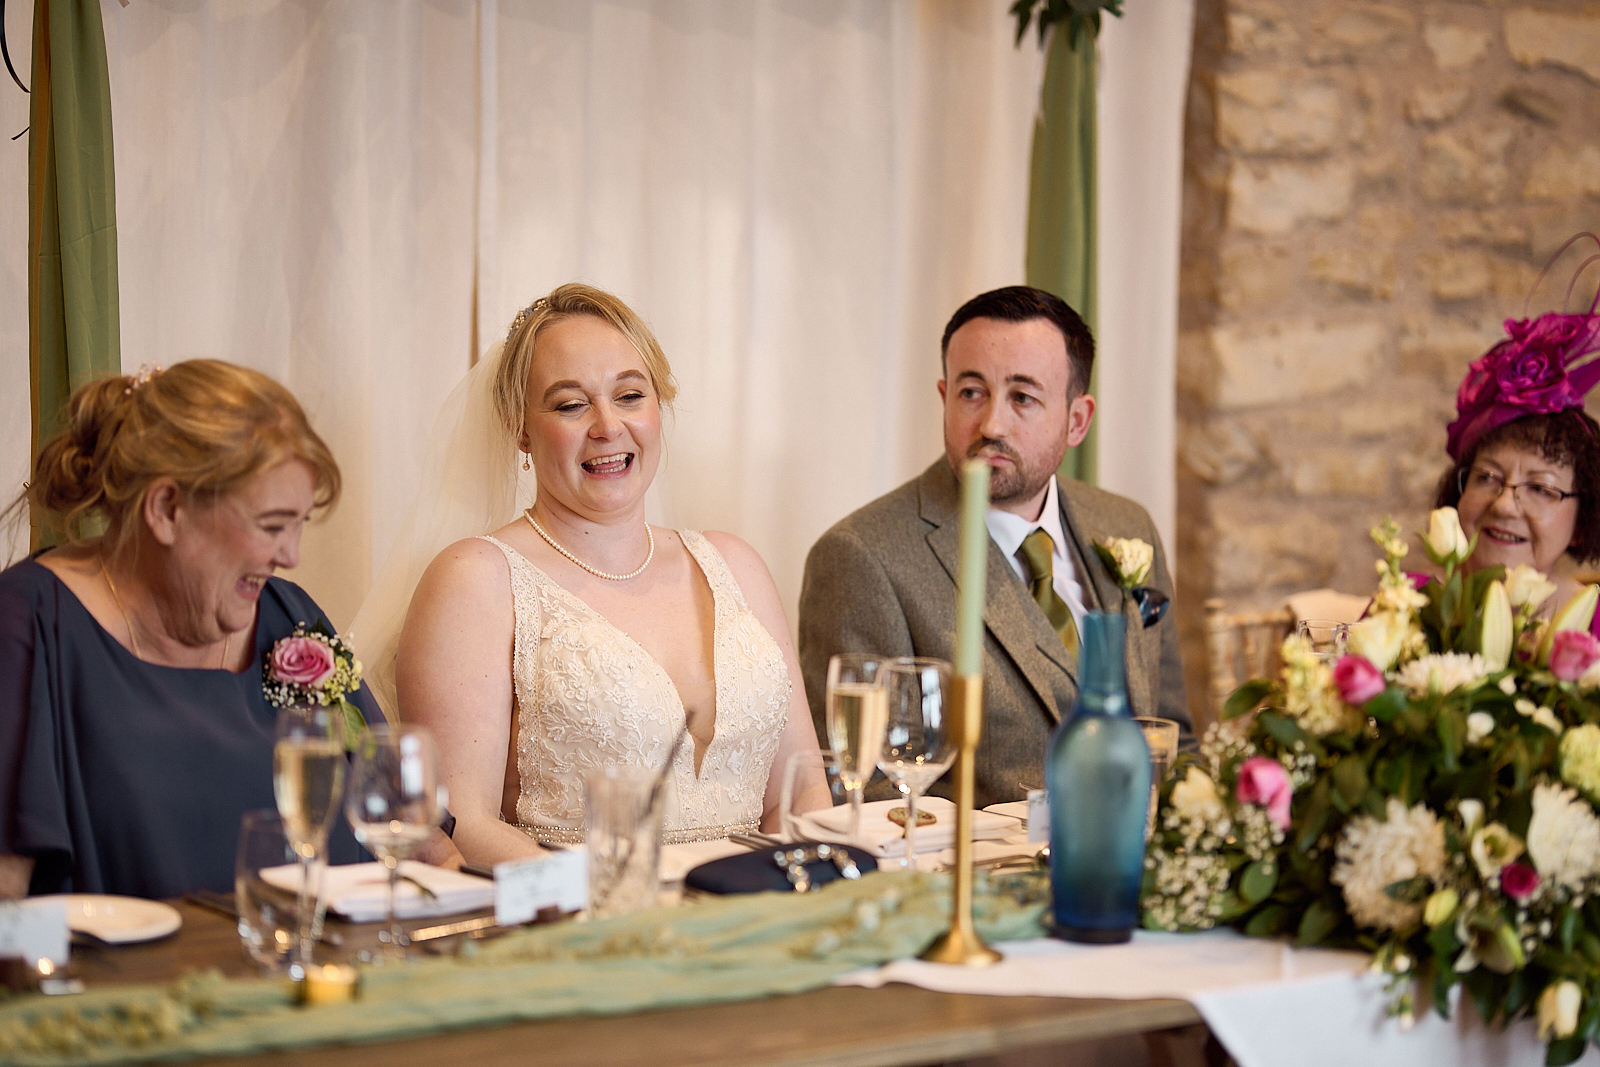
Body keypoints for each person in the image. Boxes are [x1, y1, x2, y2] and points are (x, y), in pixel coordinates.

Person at [379, 283, 824, 866]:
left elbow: (803, 788)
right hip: (582, 912)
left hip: (762, 903)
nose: (608, 426)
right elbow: (461, 821)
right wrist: (615, 903)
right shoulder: (475, 579)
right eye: (570, 405)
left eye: (630, 395)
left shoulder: (735, 564)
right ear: (519, 427)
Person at [0, 360, 457, 901]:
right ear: (167, 509)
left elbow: (424, 843)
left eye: (298, 525)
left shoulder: (289, 615)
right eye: (272, 525)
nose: (291, 555)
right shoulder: (30, 622)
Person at [798, 285, 1191, 810]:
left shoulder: (1127, 524)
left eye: (1022, 397)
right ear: (944, 398)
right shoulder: (859, 556)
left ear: (1077, 420)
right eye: (971, 393)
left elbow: (1175, 738)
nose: (991, 424)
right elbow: (862, 790)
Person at [1435, 246, 1600, 626]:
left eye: (1540, 488)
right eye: (1487, 477)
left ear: (1582, 525)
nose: (1505, 506)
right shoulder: (1403, 608)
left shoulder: (1593, 628)